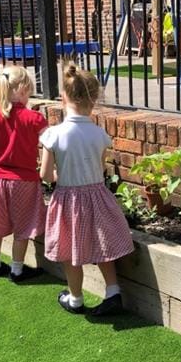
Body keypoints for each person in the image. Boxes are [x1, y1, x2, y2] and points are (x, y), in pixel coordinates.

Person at [39, 64, 134, 315]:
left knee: (71, 250)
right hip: (97, 196)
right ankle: (113, 291)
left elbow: (45, 175)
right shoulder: (99, 134)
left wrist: (60, 174)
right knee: (102, 244)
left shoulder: (54, 134)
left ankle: (76, 298)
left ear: (63, 97)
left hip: (69, 200)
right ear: (93, 100)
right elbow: (100, 169)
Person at [0, 66, 47, 283]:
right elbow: (50, 147)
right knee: (23, 227)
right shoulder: (35, 119)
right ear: (24, 90)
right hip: (25, 181)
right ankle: (17, 270)